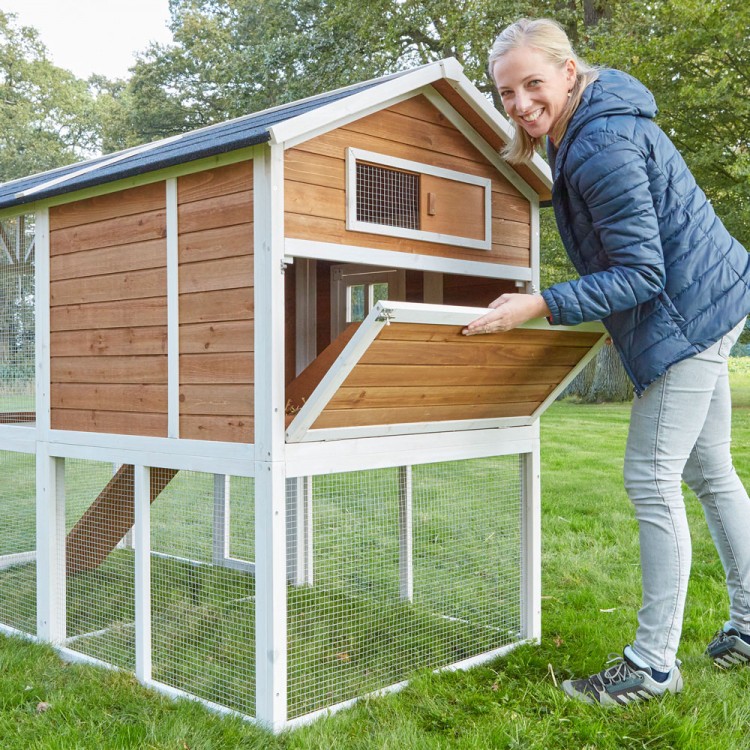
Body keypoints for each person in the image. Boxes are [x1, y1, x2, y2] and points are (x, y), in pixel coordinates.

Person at [463, 17, 750, 705]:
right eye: (507, 93)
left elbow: (642, 273)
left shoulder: (599, 145)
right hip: (716, 297)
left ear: (568, 71)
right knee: (710, 472)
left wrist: (540, 304)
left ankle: (652, 666)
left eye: (533, 84)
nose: (521, 103)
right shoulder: (582, 127)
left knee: (651, 477)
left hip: (689, 314)